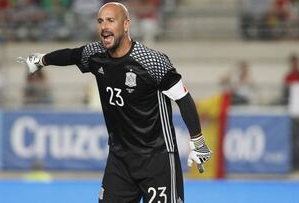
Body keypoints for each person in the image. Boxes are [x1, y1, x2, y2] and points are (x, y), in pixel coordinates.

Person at [18, 2, 211, 202]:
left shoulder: (152, 62)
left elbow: (183, 98)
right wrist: (41, 60)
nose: (104, 26)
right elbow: (71, 55)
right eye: (100, 21)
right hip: (120, 159)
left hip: (157, 158)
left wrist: (198, 141)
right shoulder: (95, 54)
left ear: (126, 25)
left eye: (111, 20)